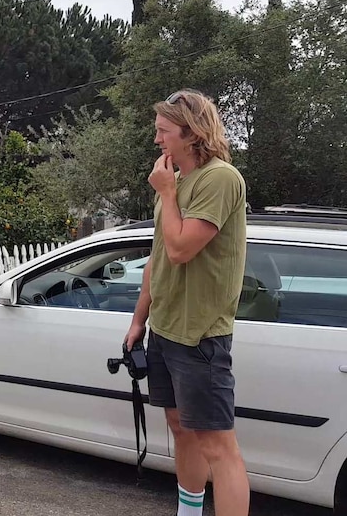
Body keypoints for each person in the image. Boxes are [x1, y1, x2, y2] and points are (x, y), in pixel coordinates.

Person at [125, 90, 248, 516]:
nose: (157, 140)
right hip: (165, 328)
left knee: (219, 447)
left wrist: (167, 193)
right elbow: (159, 257)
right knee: (180, 429)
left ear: (190, 132)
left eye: (162, 131)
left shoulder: (220, 178)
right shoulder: (175, 182)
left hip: (200, 335)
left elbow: (181, 250)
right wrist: (140, 319)